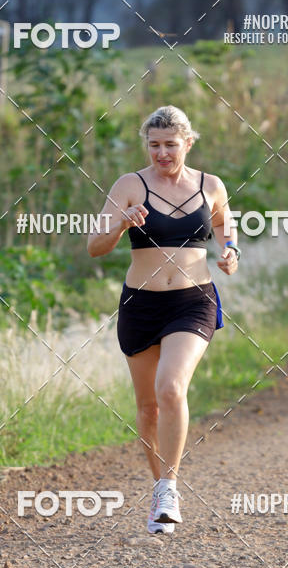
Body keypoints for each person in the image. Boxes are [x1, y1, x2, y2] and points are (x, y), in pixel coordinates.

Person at [87, 105, 240, 534]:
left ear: (188, 143)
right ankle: (160, 490)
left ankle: (169, 488)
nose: (162, 153)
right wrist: (120, 224)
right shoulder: (129, 185)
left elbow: (226, 229)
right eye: (154, 145)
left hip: (192, 301)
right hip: (140, 304)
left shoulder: (211, 185)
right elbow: (95, 246)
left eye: (170, 145)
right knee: (148, 408)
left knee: (170, 387)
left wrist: (231, 253)